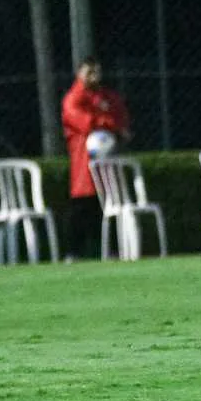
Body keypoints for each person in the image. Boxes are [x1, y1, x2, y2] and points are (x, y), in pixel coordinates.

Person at [60, 58, 131, 261]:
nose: (94, 77)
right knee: (82, 206)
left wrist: (117, 127)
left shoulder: (108, 97)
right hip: (84, 163)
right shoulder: (73, 98)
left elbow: (121, 119)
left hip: (108, 163)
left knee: (109, 205)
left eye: (96, 72)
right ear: (79, 74)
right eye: (89, 72)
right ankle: (73, 252)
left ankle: (113, 250)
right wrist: (107, 122)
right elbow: (85, 122)